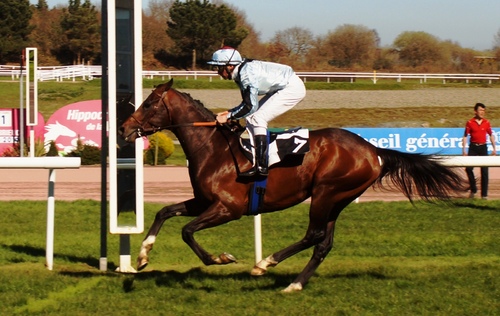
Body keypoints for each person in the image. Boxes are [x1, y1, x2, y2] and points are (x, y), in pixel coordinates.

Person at [208, 46, 306, 177]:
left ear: (230, 66)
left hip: (292, 88)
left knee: (257, 118)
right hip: (283, 87)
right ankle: (257, 159)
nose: (218, 72)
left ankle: (261, 166)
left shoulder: (246, 74)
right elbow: (247, 105)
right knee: (251, 117)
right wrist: (229, 112)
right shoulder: (241, 71)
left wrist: (229, 117)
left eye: (218, 67)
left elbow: (250, 106)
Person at [462, 102, 497, 199]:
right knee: (468, 169)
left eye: (483, 110)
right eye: (480, 110)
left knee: (485, 171)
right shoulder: (470, 123)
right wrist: (464, 150)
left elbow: (491, 135)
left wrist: (494, 148)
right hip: (473, 147)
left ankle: (484, 195)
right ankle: (473, 189)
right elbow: (465, 136)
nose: (482, 112)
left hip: (483, 147)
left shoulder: (486, 122)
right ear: (475, 111)